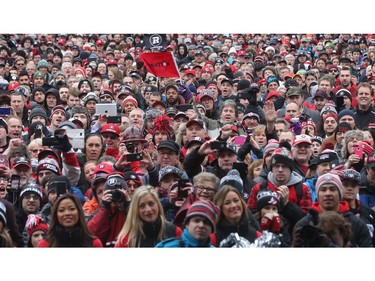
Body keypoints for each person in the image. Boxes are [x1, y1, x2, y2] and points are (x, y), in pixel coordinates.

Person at [293, 172, 372, 247]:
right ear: (318, 194)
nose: (328, 193)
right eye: (323, 189)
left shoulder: (356, 223)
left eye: (332, 189)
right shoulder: (305, 224)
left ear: (340, 194)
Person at [115, 185, 182, 247]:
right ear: (136, 210)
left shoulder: (175, 232)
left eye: (151, 204)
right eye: (142, 206)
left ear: (158, 205)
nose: (148, 209)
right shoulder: (125, 240)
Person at [37, 193, 102, 247]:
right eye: (61, 210)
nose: (67, 213)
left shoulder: (94, 243)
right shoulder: (45, 244)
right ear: (56, 215)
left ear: (79, 212)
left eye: (72, 209)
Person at [341, 169, 375, 246]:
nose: (350, 188)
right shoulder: (336, 212)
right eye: (345, 185)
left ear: (358, 188)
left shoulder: (369, 213)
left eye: (353, 185)